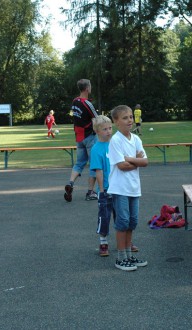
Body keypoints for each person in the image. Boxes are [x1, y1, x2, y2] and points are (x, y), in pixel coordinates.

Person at [108, 105, 148, 271]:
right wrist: (136, 161)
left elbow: (145, 162)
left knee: (132, 222)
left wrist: (130, 159)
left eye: (131, 117)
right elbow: (122, 166)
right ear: (116, 122)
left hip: (134, 188)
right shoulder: (115, 140)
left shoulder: (136, 139)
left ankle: (129, 255)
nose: (130, 120)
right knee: (122, 222)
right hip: (120, 188)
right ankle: (121, 257)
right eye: (125, 118)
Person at [64, 79, 99, 202]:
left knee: (79, 163)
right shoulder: (87, 103)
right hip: (89, 136)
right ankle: (90, 192)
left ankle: (71, 183)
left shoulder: (74, 101)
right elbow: (97, 119)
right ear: (87, 89)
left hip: (78, 137)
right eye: (90, 86)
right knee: (94, 164)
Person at [90, 115, 114, 257]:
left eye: (110, 128)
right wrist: (102, 191)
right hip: (106, 189)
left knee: (123, 217)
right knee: (104, 217)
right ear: (97, 131)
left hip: (120, 188)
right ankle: (103, 242)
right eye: (104, 129)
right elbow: (98, 171)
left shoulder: (115, 144)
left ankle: (125, 242)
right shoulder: (96, 149)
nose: (108, 131)